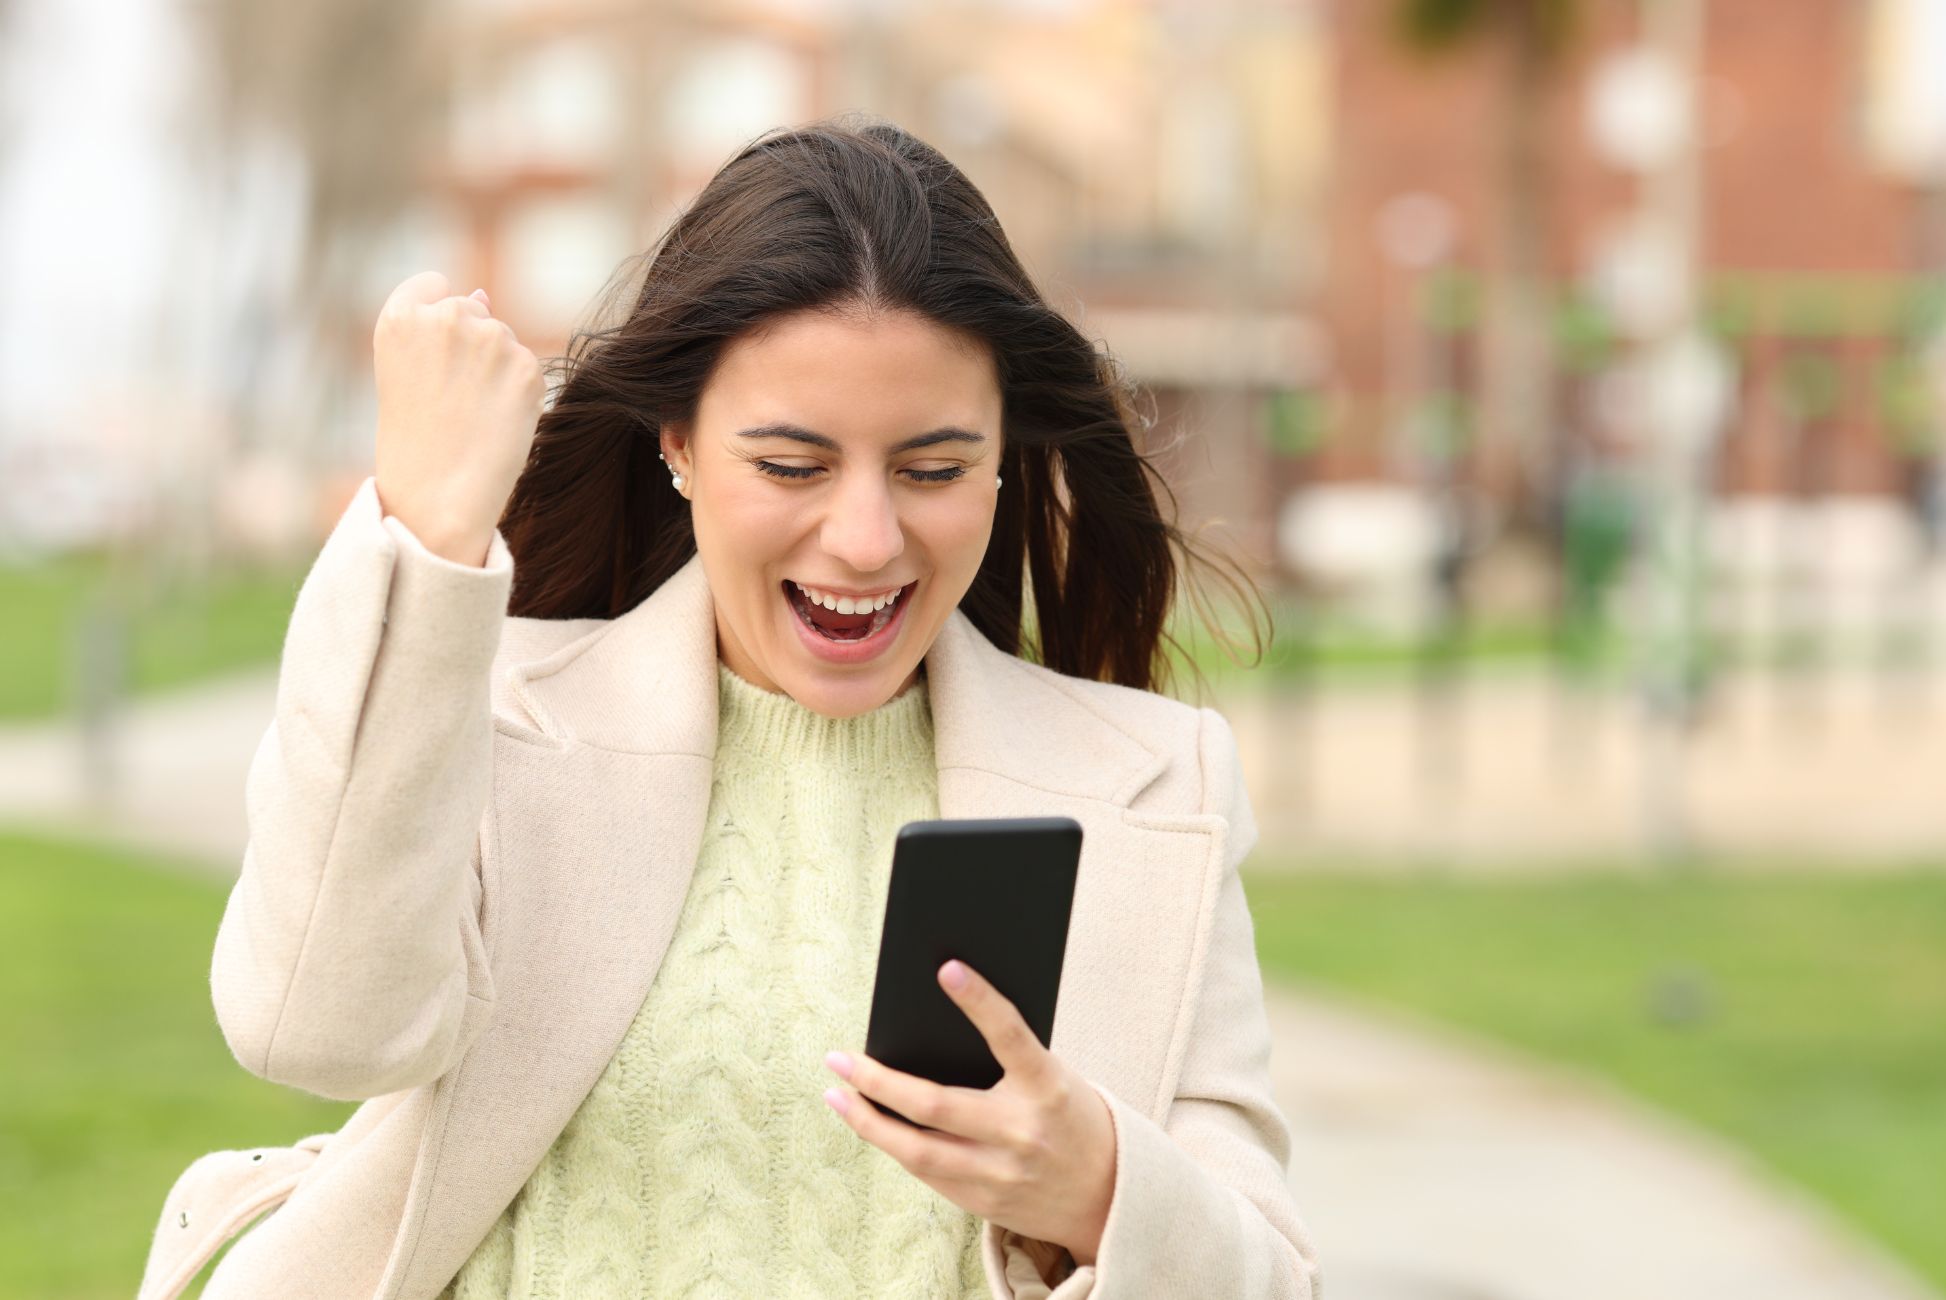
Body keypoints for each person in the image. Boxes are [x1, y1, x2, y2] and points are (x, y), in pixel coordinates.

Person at [137, 115, 1319, 1300]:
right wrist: (428, 536)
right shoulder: (485, 712)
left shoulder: (1160, 779)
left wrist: (1103, 1189)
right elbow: (315, 1030)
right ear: (679, 445)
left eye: (934, 468)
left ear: (1004, 458)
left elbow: (1275, 1276)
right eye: (792, 466)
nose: (864, 540)